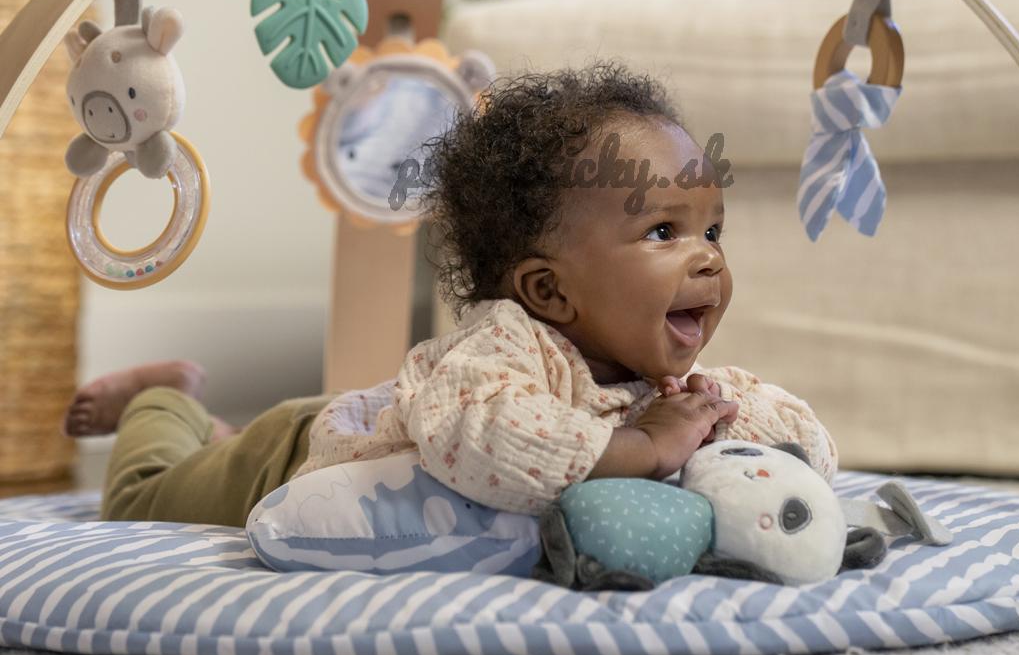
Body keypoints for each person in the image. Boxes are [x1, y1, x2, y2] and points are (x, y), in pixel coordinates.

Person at [65, 63, 837, 526]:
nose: (708, 259)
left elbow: (804, 444)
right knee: (141, 500)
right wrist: (647, 447)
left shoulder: (664, 385)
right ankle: (164, 401)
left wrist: (724, 426)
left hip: (375, 411)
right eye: (665, 232)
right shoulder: (505, 348)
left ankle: (213, 432)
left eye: (713, 231)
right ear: (547, 289)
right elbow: (486, 440)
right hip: (289, 458)